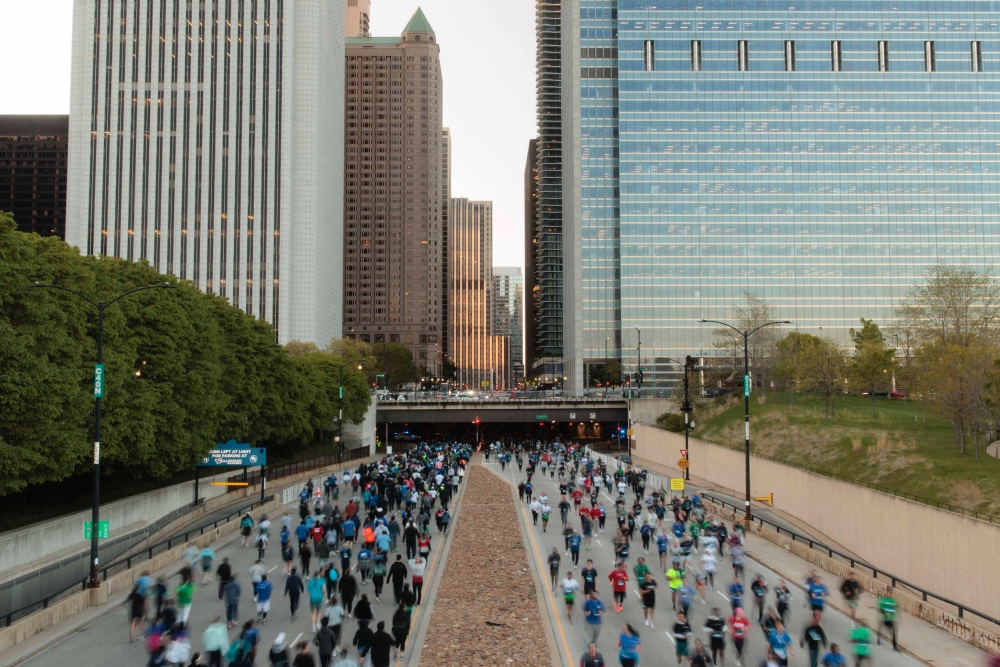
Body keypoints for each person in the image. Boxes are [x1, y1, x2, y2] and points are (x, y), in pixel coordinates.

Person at [877, 587, 898, 651]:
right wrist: (885, 614)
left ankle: (895, 646)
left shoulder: (893, 601)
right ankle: (878, 638)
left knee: (893, 632)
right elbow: (880, 609)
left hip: (891, 619)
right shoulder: (883, 600)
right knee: (881, 628)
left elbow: (894, 609)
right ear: (887, 592)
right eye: (889, 592)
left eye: (891, 593)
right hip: (884, 618)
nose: (890, 594)